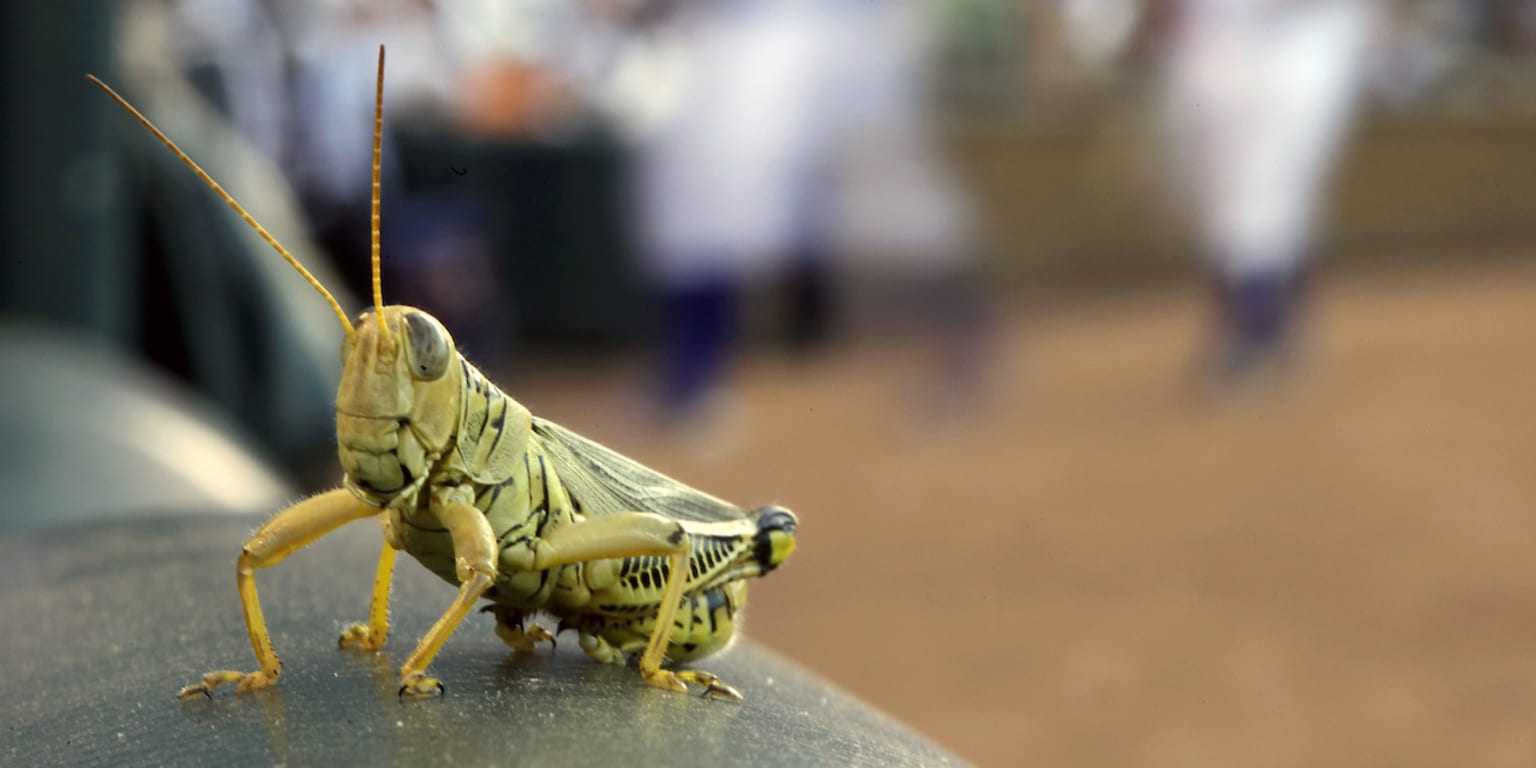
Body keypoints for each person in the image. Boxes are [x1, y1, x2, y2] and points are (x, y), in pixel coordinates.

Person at [1158, 0, 1377, 390]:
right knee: (1216, 198)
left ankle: (1258, 332)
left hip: (1299, 36)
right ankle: (1269, 319)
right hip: (1208, 38)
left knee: (1263, 191)